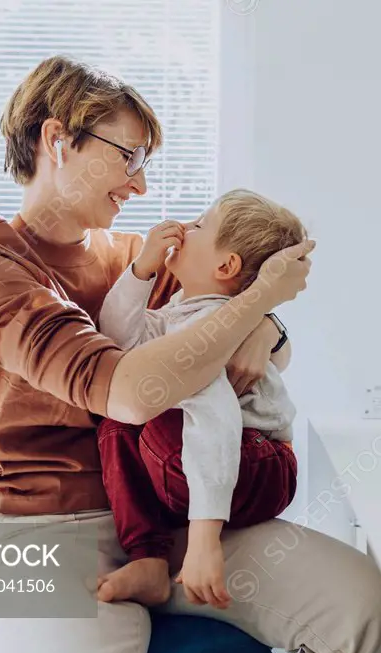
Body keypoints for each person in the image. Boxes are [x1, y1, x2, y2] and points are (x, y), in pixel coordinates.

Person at [0, 56, 381, 653]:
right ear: (57, 140)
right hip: (45, 533)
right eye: (128, 157)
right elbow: (130, 393)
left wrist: (265, 325)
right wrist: (260, 302)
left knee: (368, 615)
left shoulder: (141, 258)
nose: (141, 186)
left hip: (169, 518)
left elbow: (251, 332)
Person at [94, 189, 305, 609]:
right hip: (226, 459)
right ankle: (148, 558)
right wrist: (141, 271)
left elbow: (216, 417)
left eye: (200, 226)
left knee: (161, 416)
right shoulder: (183, 311)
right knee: (118, 413)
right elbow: (119, 340)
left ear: (225, 265)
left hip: (260, 464)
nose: (185, 228)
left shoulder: (213, 324)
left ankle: (181, 540)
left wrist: (204, 540)